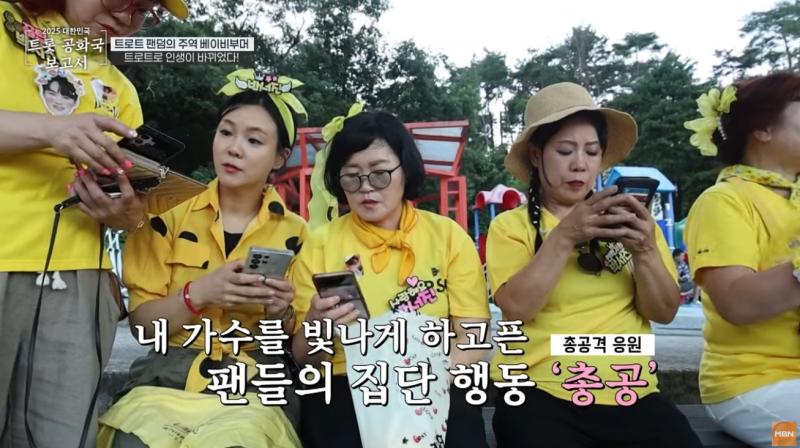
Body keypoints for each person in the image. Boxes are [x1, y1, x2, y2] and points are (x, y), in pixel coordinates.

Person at [0, 0, 187, 446]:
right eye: (123, 0)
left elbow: (134, 216)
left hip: (81, 279)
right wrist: (50, 130)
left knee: (63, 435)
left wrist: (126, 214)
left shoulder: (120, 88)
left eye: (146, 10)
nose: (128, 17)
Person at [96, 70, 309, 448]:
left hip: (253, 384)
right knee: (131, 441)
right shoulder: (166, 215)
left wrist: (281, 313)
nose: (234, 148)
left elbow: (301, 343)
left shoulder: (298, 235)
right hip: (166, 378)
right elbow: (144, 329)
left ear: (280, 157)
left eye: (254, 140)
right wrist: (199, 294)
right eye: (226, 132)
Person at [487, 82, 701, 447]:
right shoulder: (510, 227)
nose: (580, 164)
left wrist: (645, 251)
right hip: (539, 390)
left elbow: (663, 312)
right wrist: (565, 235)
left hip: (631, 390)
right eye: (564, 150)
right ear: (536, 156)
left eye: (591, 151)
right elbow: (517, 308)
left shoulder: (632, 224)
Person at [290, 106, 491, 447]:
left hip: (435, 376)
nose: (366, 188)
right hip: (347, 383)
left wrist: (428, 381)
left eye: (380, 173)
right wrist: (316, 324)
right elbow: (304, 357)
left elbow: (472, 338)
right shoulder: (320, 244)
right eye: (351, 176)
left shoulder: (447, 236)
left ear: (405, 169)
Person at [683, 72, 800, 446]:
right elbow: (737, 303)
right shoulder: (723, 202)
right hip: (753, 389)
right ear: (762, 129)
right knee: (791, 438)